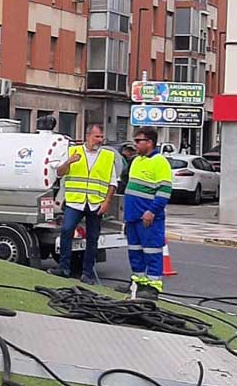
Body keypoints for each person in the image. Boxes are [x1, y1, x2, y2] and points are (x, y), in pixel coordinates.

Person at [48, 124, 117, 285]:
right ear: (88, 136)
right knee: (66, 230)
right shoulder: (73, 151)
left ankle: (87, 273)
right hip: (75, 201)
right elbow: (59, 173)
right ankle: (64, 268)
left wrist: (107, 202)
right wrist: (69, 162)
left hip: (95, 203)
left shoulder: (107, 156)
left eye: (101, 137)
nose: (99, 140)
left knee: (92, 238)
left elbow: (112, 182)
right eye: (96, 137)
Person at [120, 126, 173, 299]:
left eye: (138, 141)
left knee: (152, 251)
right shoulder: (136, 161)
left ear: (149, 142)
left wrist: (152, 212)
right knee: (135, 252)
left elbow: (164, 191)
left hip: (148, 218)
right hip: (133, 217)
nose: (135, 145)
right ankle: (138, 282)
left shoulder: (160, 162)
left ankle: (153, 286)